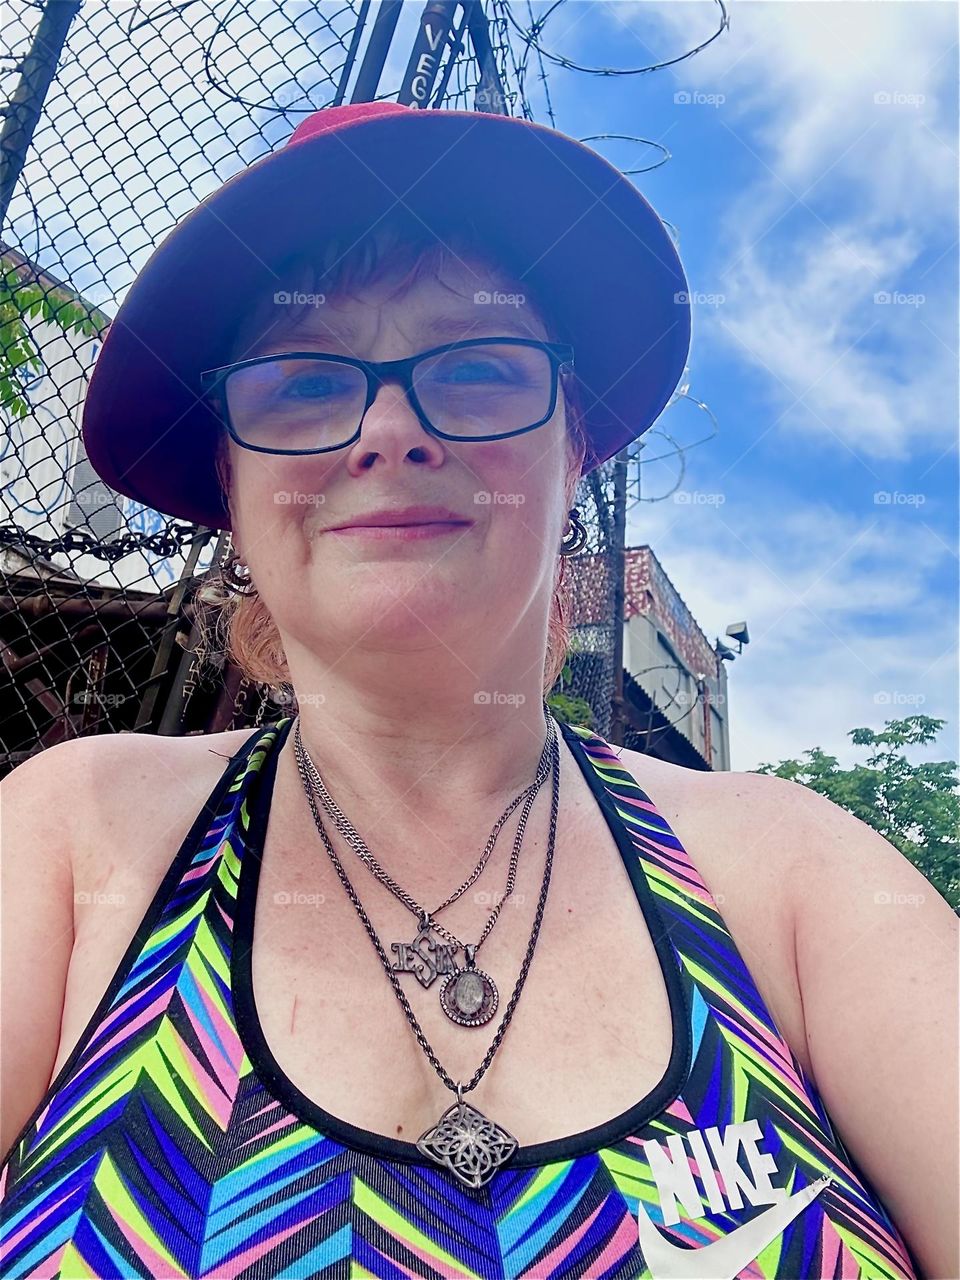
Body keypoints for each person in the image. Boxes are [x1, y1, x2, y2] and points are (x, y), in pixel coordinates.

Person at [1, 101, 956, 1280]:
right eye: (303, 381)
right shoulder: (67, 841)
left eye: (479, 367)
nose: (391, 430)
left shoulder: (797, 875)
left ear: (574, 460)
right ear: (231, 481)